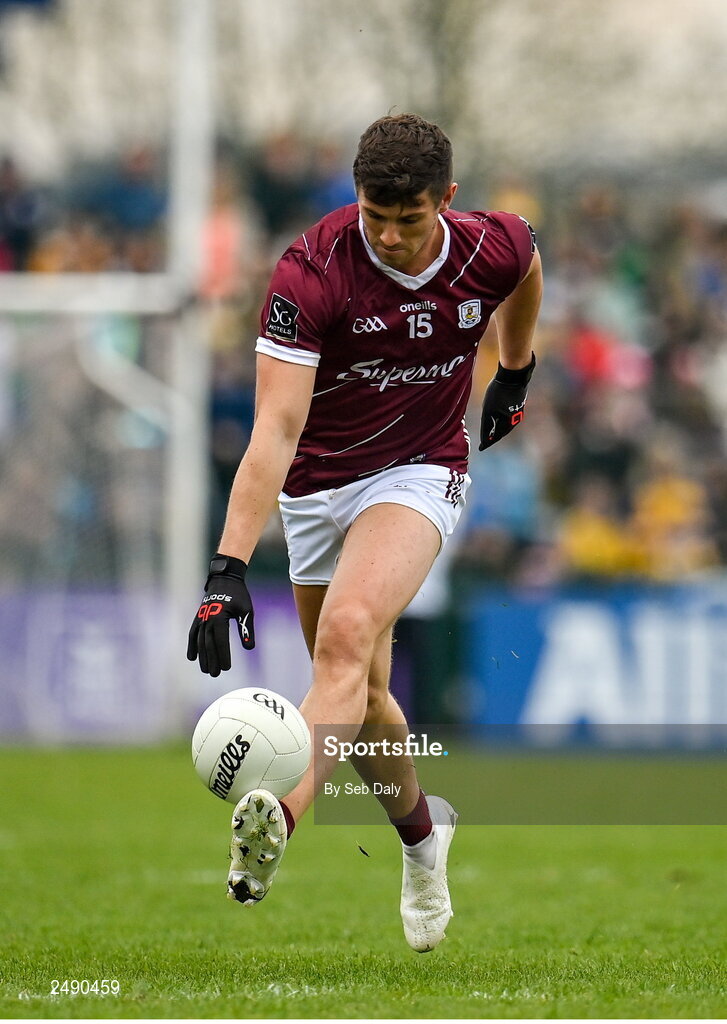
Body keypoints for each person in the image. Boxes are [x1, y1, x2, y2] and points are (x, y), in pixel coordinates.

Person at [187, 113, 543, 952]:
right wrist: (226, 566)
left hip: (420, 467)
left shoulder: (487, 245)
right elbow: (274, 431)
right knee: (365, 695)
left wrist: (515, 368)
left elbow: (526, 262)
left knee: (346, 640)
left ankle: (277, 817)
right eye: (373, 215)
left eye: (408, 220)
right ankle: (424, 842)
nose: (388, 235)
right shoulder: (309, 272)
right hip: (315, 487)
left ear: (445, 202)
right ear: (354, 197)